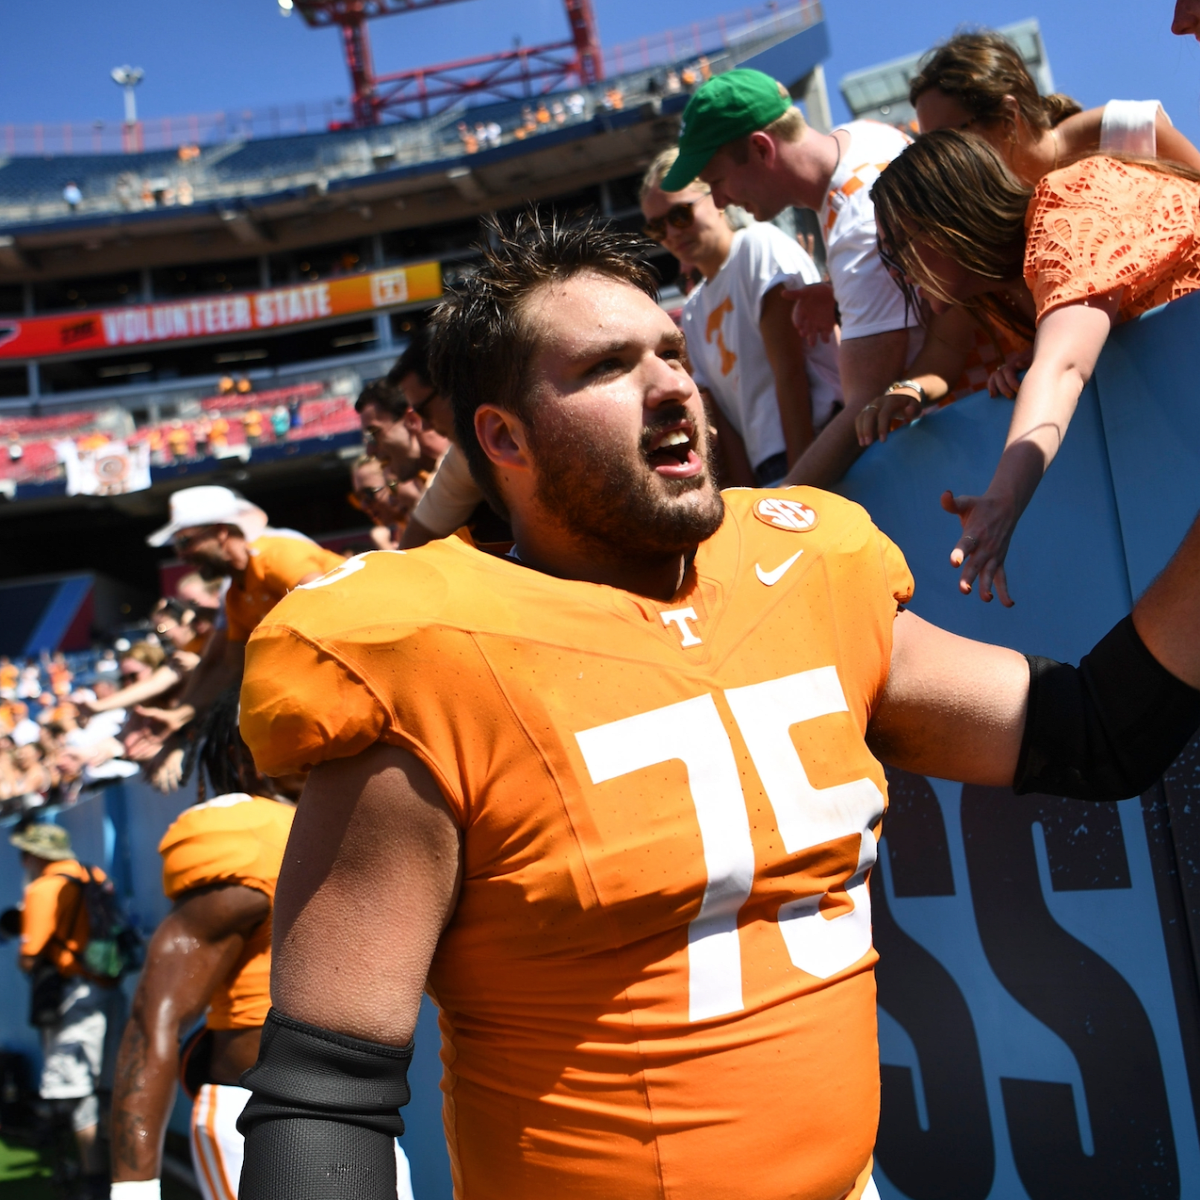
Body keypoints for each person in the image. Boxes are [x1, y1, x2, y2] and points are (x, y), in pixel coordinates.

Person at [233, 216, 1200, 1200]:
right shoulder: (427, 659)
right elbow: (327, 1091)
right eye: (609, 367)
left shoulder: (798, 568)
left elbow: (1093, 737)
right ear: (503, 437)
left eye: (670, 351)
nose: (671, 386)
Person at [870, 129, 1200, 605]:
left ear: (952, 216)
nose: (896, 268)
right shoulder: (1002, 302)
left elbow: (1064, 367)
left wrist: (1002, 503)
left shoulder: (1070, 204)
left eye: (901, 243)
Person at [108, 689, 414, 1200]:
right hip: (269, 1115)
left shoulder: (346, 825)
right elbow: (154, 1016)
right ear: (240, 754)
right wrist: (133, 1189)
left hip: (366, 1108)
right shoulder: (251, 837)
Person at [662, 68, 923, 488]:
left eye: (717, 180)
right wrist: (840, 293)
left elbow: (864, 401)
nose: (720, 200)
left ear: (762, 148)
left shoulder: (857, 220)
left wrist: (785, 502)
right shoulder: (866, 136)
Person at [641, 147, 841, 486]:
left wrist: (801, 484)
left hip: (821, 445)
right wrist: (748, 495)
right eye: (657, 228)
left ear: (716, 199)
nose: (672, 234)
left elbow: (790, 374)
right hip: (769, 469)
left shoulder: (757, 247)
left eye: (680, 215)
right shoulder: (693, 309)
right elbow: (724, 417)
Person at [128, 487, 343, 783]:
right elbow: (229, 667)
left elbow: (330, 608)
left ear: (220, 532)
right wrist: (178, 718)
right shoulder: (236, 596)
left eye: (185, 541)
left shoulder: (277, 552)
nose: (181, 555)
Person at [11, 824, 116, 1199]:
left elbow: (29, 955)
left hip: (72, 996)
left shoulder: (43, 889)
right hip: (108, 988)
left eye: (25, 852)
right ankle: (119, 1169)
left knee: (74, 1089)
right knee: (107, 1084)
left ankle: (93, 1178)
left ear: (37, 854)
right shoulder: (94, 874)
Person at [389, 326, 510, 549]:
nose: (424, 425)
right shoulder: (466, 453)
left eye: (423, 411)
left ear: (456, 383)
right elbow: (419, 537)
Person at [356, 376, 448, 485]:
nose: (369, 451)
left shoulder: (467, 461)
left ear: (411, 421)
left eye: (373, 433)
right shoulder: (447, 482)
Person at [349, 455, 424, 550]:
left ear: (394, 484)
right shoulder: (401, 532)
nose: (364, 505)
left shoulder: (430, 521)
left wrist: (385, 546)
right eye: (358, 498)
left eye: (368, 493)